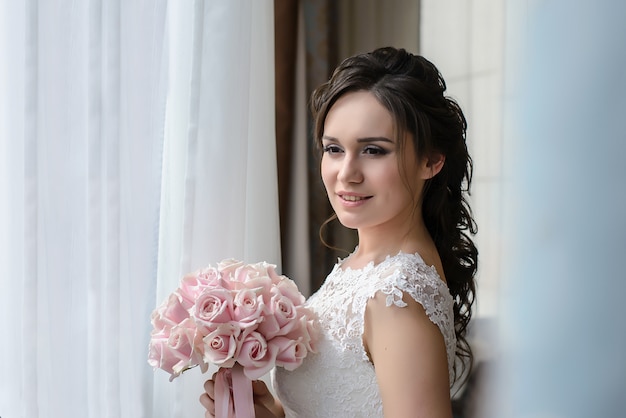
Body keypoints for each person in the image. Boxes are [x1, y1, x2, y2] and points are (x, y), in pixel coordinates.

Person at [200, 46, 478, 418]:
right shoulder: (363, 269)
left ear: (431, 160)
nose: (346, 173)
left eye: (374, 151)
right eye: (333, 149)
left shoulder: (397, 297)